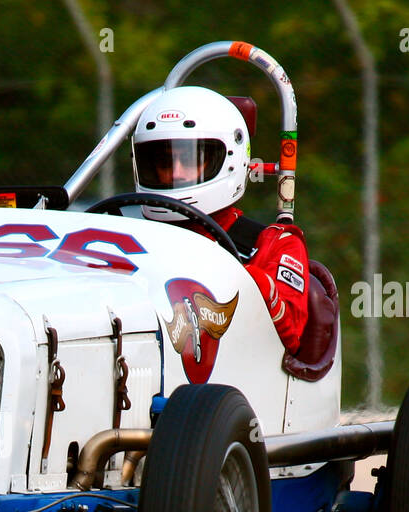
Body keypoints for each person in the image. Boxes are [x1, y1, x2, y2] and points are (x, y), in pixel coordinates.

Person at [130, 86, 308, 354]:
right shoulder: (130, 235)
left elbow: (291, 335)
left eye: (190, 159)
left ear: (229, 159)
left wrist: (237, 276)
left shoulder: (273, 245)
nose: (176, 172)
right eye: (165, 162)